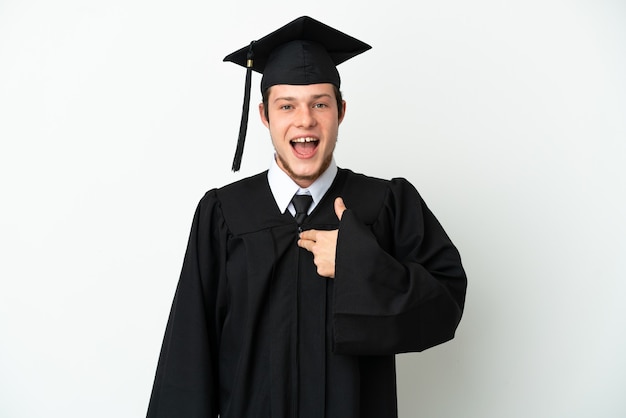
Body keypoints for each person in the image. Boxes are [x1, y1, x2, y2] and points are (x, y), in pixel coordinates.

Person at [147, 16, 467, 418]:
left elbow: (444, 309)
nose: (305, 120)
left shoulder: (385, 204)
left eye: (320, 103)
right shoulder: (224, 214)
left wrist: (357, 264)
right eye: (287, 106)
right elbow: (187, 357)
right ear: (264, 115)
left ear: (341, 111)